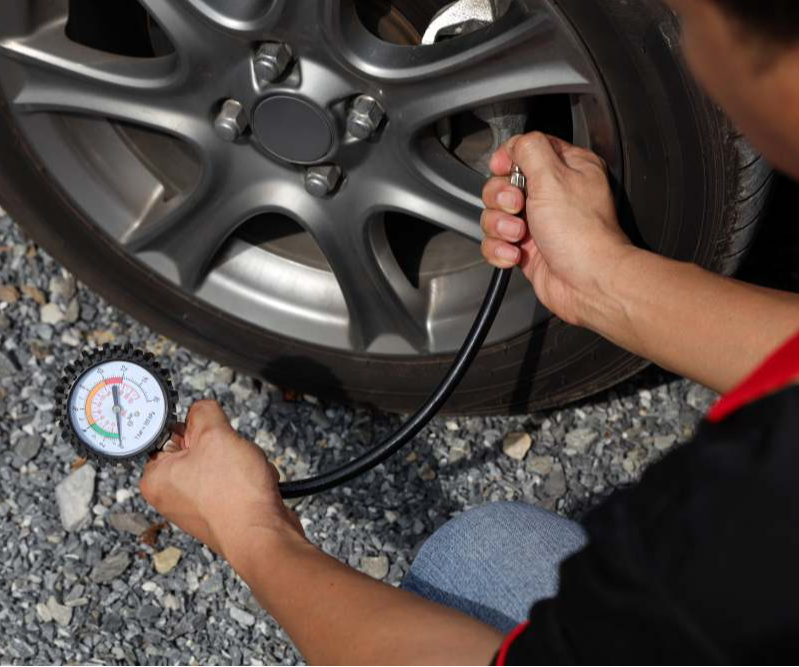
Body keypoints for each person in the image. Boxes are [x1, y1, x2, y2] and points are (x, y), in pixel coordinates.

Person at [140, 1, 799, 663]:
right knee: (489, 548)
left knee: (474, 560)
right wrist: (605, 280)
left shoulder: (720, 545)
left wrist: (252, 532)